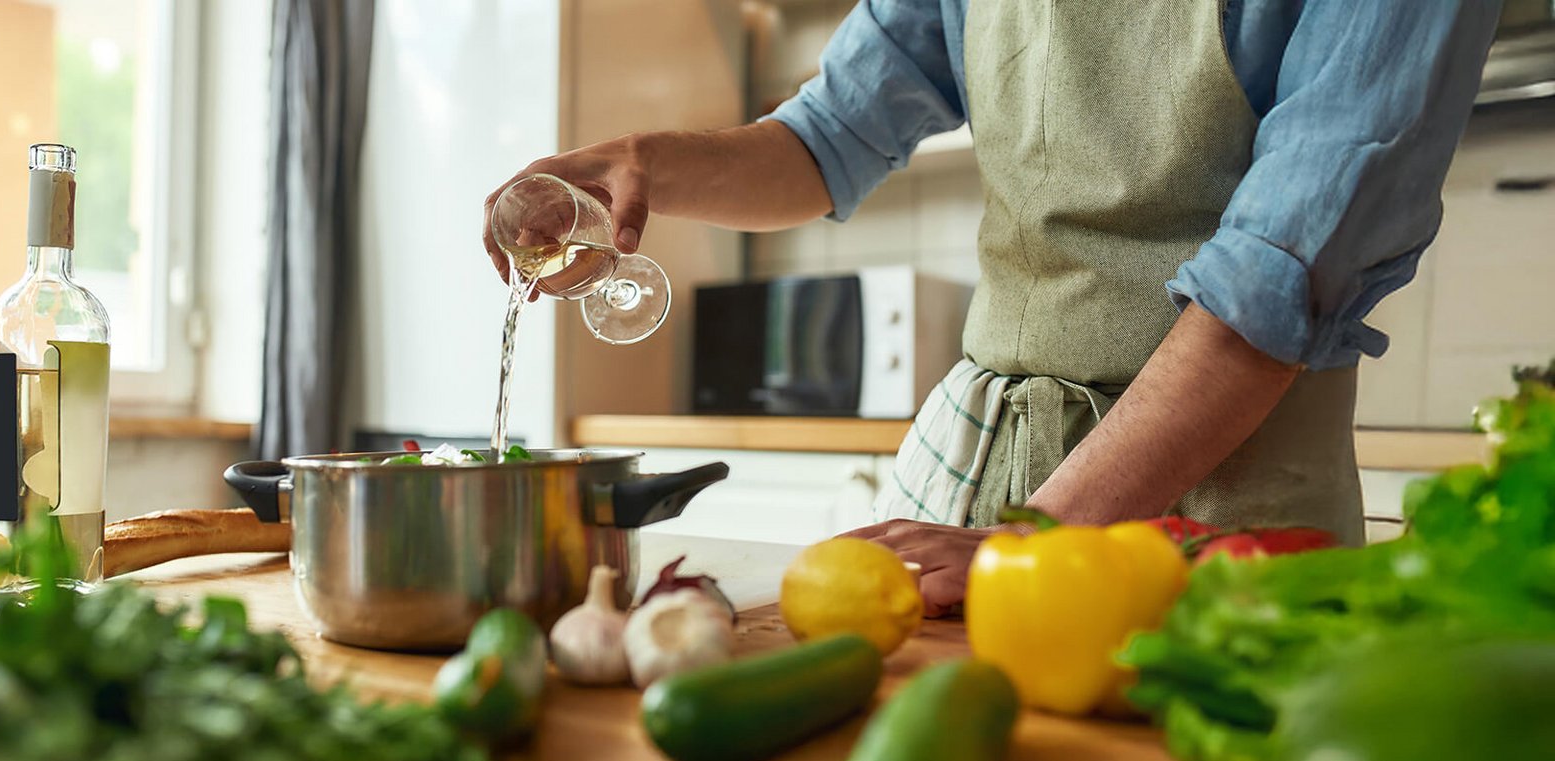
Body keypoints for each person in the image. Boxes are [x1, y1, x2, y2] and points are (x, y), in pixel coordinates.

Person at [482, 1, 1503, 615]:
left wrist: (1033, 540)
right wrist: (637, 166)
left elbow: (1273, 283)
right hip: (987, 493)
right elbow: (831, 134)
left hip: (1220, 512)